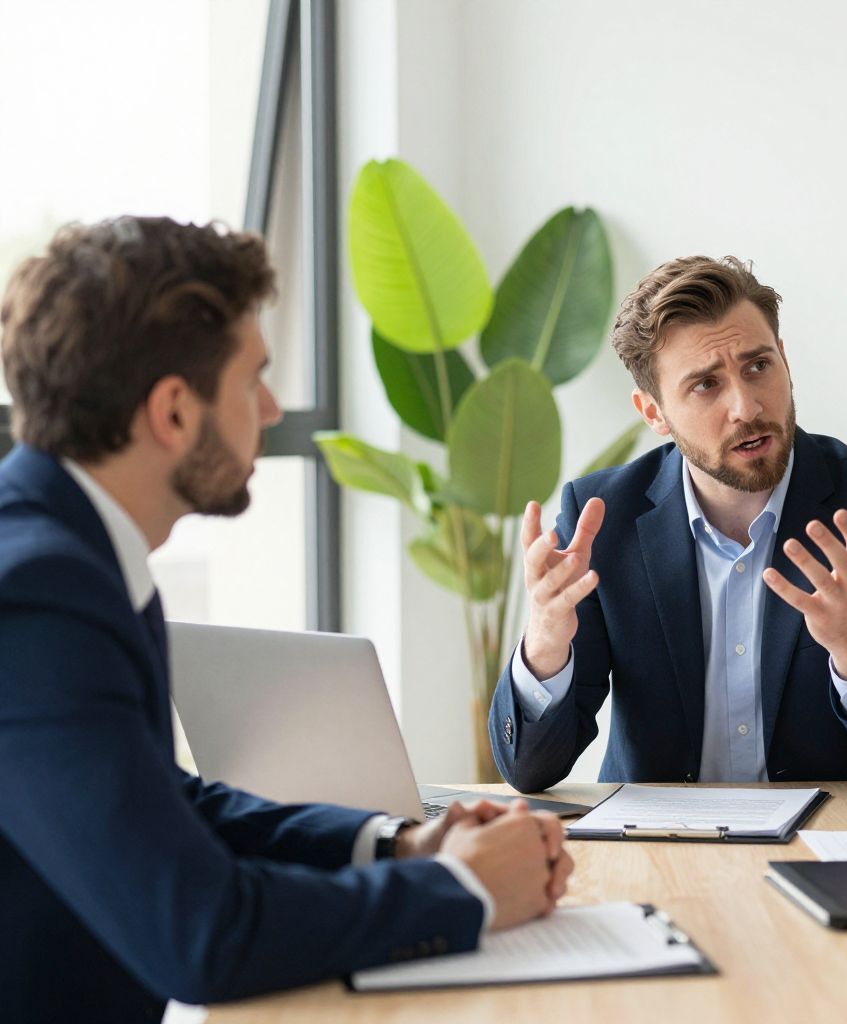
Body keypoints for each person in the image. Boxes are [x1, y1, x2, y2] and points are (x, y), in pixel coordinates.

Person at [0, 217, 574, 1023]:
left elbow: (168, 802)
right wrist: (462, 889)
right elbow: (200, 935)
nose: (270, 409)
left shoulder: (73, 552)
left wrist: (398, 844)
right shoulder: (35, 594)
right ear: (172, 412)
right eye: (253, 378)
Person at [489, 256, 847, 799]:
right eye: (706, 385)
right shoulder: (602, 519)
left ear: (785, 360)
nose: (747, 406)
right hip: (659, 853)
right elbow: (529, 771)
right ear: (654, 413)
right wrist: (545, 642)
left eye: (758, 366)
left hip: (826, 850)